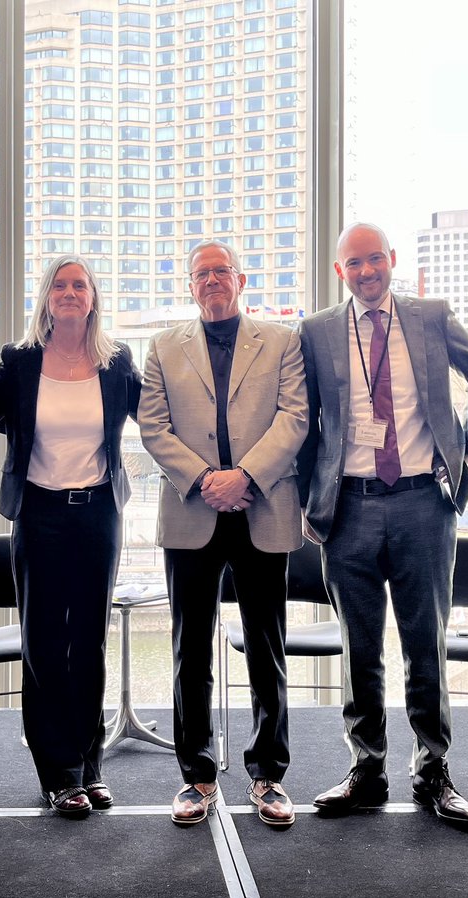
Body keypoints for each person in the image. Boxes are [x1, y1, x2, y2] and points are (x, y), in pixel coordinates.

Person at [296, 223, 468, 827]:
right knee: (360, 647)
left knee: (425, 642)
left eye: (376, 259)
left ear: (392, 260)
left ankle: (433, 771)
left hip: (422, 503)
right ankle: (366, 769)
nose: (367, 271)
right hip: (347, 505)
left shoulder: (430, 316)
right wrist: (310, 497)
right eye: (355, 263)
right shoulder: (318, 331)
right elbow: (302, 420)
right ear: (339, 270)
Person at [139, 239, 307, 828]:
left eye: (221, 271)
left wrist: (246, 478)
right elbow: (154, 428)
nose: (211, 280)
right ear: (189, 285)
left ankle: (268, 774)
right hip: (193, 509)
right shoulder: (162, 347)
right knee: (190, 650)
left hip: (262, 508)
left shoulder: (283, 341)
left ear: (241, 279)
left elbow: (295, 417)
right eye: (200, 273)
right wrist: (207, 479)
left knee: (268, 648)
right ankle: (197, 776)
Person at [0, 255, 140, 818]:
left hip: (98, 513)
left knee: (90, 642)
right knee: (45, 644)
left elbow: (162, 418)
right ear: (46, 297)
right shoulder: (21, 362)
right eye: (60, 285)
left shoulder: (117, 363)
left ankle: (90, 765)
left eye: (80, 285)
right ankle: (58, 774)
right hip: (39, 514)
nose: (70, 293)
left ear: (93, 297)